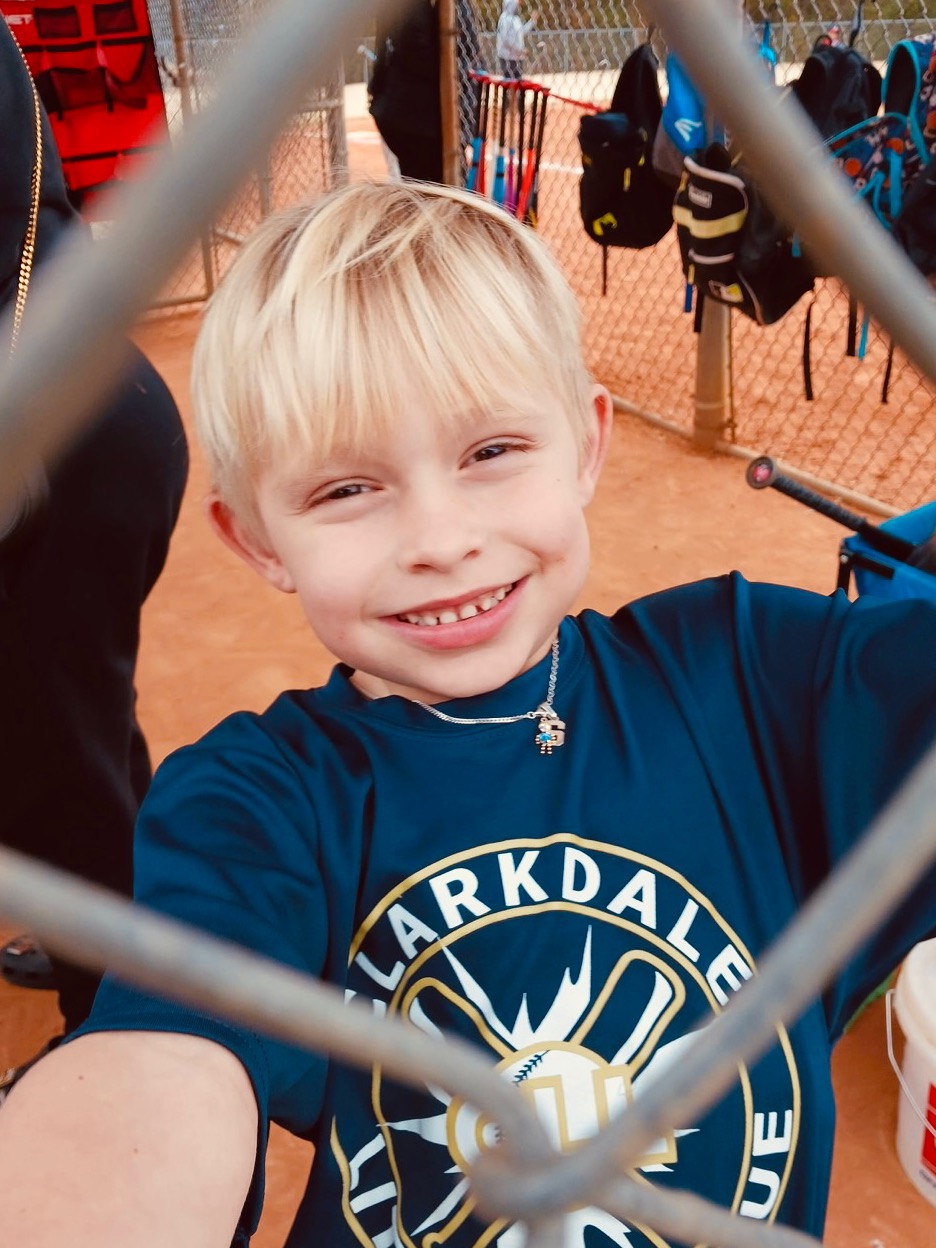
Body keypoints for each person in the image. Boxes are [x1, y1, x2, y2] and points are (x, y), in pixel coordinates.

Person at [0, 178, 935, 1248]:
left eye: (491, 452)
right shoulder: (256, 803)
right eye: (346, 489)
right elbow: (156, 1070)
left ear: (586, 446)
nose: (440, 540)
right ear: (256, 539)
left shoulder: (759, 680)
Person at [0, 17, 188, 1086]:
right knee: (79, 732)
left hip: (62, 443)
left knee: (51, 758)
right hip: (85, 407)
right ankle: (115, 937)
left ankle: (109, 1022)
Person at [369, 0, 481, 183]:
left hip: (406, 111)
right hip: (418, 118)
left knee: (425, 180)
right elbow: (419, 51)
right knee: (433, 181)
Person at [496, 0, 537, 80]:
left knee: (518, 81)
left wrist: (532, 21)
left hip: (517, 57)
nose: (518, 6)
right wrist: (520, 50)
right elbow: (506, 40)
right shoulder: (505, 18)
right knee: (510, 82)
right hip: (507, 58)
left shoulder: (515, 19)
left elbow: (522, 31)